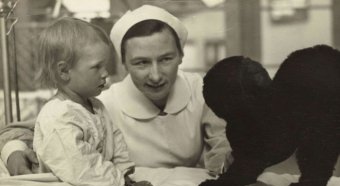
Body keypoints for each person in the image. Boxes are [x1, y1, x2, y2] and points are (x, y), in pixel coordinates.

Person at [0, 5, 232, 176]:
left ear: (181, 56)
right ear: (124, 64)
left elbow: (223, 140)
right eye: (141, 62)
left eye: (166, 59)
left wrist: (226, 162)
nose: (155, 75)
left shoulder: (202, 90)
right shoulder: (101, 102)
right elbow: (19, 131)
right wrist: (14, 152)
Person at [30, 17, 157, 186]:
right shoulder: (58, 116)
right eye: (96, 67)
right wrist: (119, 185)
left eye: (105, 65)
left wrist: (124, 173)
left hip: (102, 184)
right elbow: (80, 166)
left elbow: (115, 140)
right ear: (64, 71)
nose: (105, 73)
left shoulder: (96, 106)